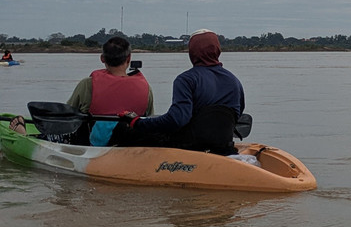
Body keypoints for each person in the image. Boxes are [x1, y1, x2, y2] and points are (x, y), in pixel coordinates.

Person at [116, 29, 244, 155]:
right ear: (217, 50)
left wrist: (137, 122)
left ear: (192, 52)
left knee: (122, 130)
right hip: (223, 144)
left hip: (189, 145)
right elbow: (236, 114)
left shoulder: (186, 80)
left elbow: (177, 120)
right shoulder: (234, 81)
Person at [67, 36, 153, 145]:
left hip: (92, 147)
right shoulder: (145, 88)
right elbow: (149, 119)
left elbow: (68, 114)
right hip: (131, 146)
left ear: (102, 58)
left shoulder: (87, 84)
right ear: (128, 58)